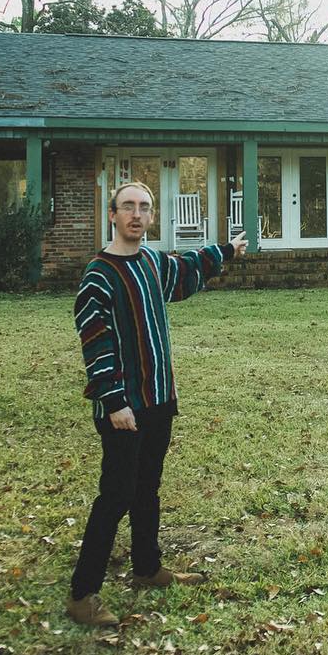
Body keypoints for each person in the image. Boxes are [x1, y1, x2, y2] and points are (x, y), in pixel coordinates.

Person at [65, 181, 247, 627]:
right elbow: (95, 341)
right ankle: (82, 594)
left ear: (150, 216)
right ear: (112, 215)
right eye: (128, 206)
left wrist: (226, 250)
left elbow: (185, 269)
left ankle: (147, 568)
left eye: (144, 207)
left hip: (159, 399)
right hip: (123, 408)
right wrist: (114, 401)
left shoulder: (151, 262)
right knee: (116, 496)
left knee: (147, 488)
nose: (136, 214)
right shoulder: (99, 275)